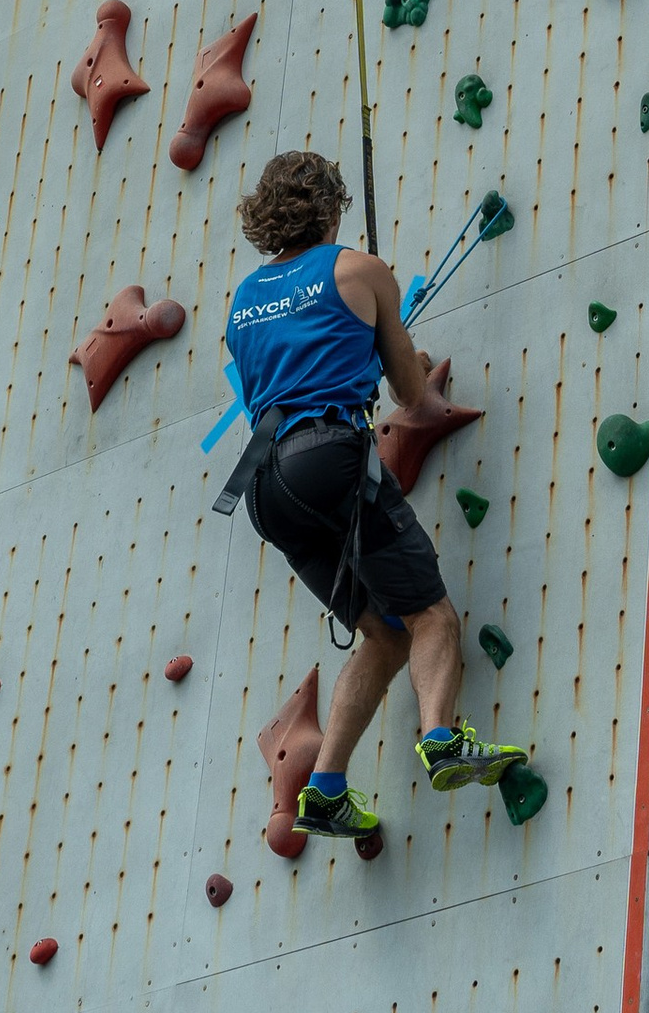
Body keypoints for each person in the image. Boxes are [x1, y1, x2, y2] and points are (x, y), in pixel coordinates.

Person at [221, 147, 528, 840]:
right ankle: (442, 739)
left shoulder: (243, 303)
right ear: (330, 208)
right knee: (432, 616)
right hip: (329, 457)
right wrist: (409, 359)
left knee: (383, 634)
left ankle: (326, 790)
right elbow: (411, 397)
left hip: (266, 489)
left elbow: (282, 376)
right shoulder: (360, 270)